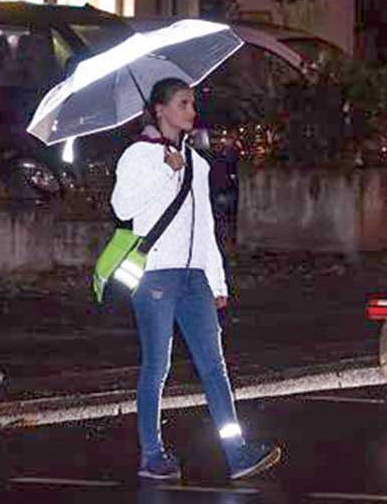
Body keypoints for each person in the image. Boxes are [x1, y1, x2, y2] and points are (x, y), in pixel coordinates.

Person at [110, 78, 282, 481]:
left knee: (214, 366)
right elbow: (121, 206)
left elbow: (205, 226)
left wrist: (216, 280)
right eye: (183, 103)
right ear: (160, 110)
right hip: (155, 276)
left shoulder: (197, 163)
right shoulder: (138, 155)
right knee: (157, 366)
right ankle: (151, 454)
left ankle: (236, 451)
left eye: (192, 103)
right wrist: (164, 174)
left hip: (195, 278)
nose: (192, 110)